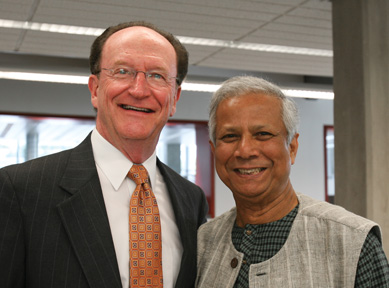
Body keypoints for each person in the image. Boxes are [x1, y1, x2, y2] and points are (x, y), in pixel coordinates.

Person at [0, 21, 208, 288]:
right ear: (95, 89)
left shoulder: (191, 200)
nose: (139, 90)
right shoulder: (20, 191)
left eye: (157, 76)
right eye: (122, 71)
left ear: (175, 98)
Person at [196, 76, 389, 287]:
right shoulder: (203, 243)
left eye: (262, 134)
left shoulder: (351, 241)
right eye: (230, 136)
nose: (245, 151)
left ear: (292, 147)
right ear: (214, 150)